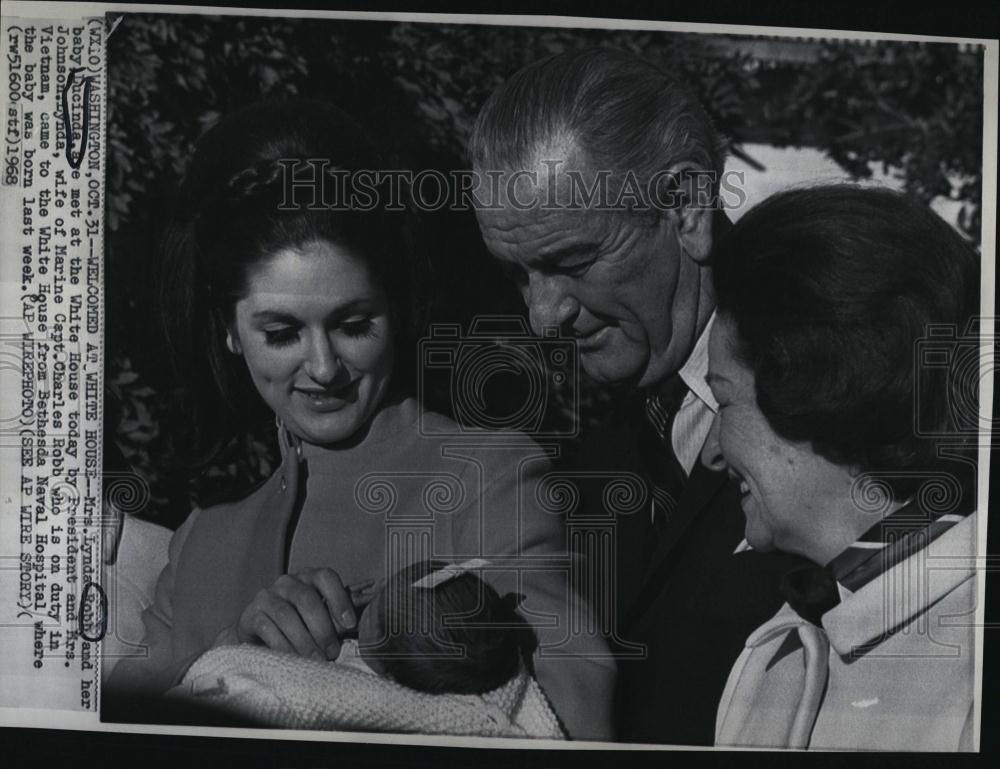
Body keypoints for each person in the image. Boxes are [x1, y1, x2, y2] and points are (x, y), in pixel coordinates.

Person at [105, 99, 614, 740]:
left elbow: (574, 719)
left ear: (396, 309)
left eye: (353, 325)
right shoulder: (203, 538)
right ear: (231, 333)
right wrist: (232, 650)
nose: (324, 368)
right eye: (282, 333)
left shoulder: (487, 474)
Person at [469, 47, 803, 744]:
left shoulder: (840, 393)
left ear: (685, 206)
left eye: (571, 262)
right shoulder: (587, 457)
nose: (542, 316)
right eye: (519, 274)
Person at [702, 185, 979, 750]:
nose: (711, 451)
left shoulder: (972, 669)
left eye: (725, 402)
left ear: (815, 390)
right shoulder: (771, 654)